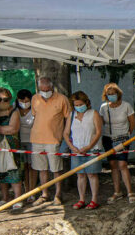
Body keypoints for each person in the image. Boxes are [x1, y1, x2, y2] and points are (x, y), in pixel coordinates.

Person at [30, 77, 70, 206]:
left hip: (54, 139)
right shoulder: (35, 98)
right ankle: (44, 194)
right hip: (36, 139)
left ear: (52, 88)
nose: (45, 92)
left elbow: (68, 118)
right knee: (41, 169)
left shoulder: (62, 99)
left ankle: (58, 194)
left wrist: (66, 135)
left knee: (56, 169)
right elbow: (35, 115)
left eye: (47, 90)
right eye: (42, 90)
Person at [64, 91, 103, 210]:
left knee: (91, 174)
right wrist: (72, 148)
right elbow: (65, 133)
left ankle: (94, 200)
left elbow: (98, 132)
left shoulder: (94, 113)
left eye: (81, 104)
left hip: (92, 149)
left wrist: (89, 146)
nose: (79, 107)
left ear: (86, 102)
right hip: (76, 150)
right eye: (76, 105)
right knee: (80, 175)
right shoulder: (71, 115)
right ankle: (81, 199)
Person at [99, 83, 135, 204]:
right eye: (109, 95)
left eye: (113, 94)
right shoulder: (104, 108)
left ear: (118, 94)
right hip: (108, 138)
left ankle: (130, 192)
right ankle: (117, 192)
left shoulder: (126, 106)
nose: (111, 97)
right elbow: (100, 123)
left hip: (123, 138)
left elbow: (132, 123)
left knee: (123, 164)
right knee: (113, 165)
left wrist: (127, 135)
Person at [0, 88, 23, 210]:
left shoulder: (14, 112)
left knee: (14, 172)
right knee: (0, 171)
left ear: (9, 99)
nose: (2, 101)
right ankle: (5, 198)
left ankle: (18, 198)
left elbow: (13, 129)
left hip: (12, 145)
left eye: (5, 99)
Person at [16, 89, 37, 201]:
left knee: (32, 167)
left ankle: (32, 191)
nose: (24, 102)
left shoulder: (34, 110)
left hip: (32, 141)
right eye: (22, 100)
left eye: (27, 100)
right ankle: (26, 189)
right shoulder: (14, 110)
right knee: (23, 168)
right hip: (19, 142)